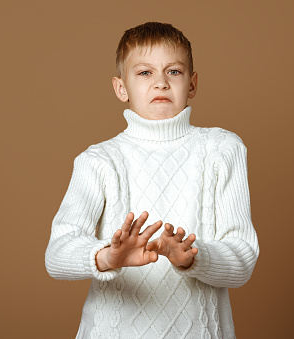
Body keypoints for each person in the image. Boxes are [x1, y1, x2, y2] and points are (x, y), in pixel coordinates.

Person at [45, 21, 259, 339]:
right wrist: (108, 256)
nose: (160, 83)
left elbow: (242, 259)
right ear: (121, 88)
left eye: (173, 71)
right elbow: (57, 254)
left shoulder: (222, 149)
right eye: (145, 73)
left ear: (192, 83)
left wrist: (193, 256)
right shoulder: (98, 160)